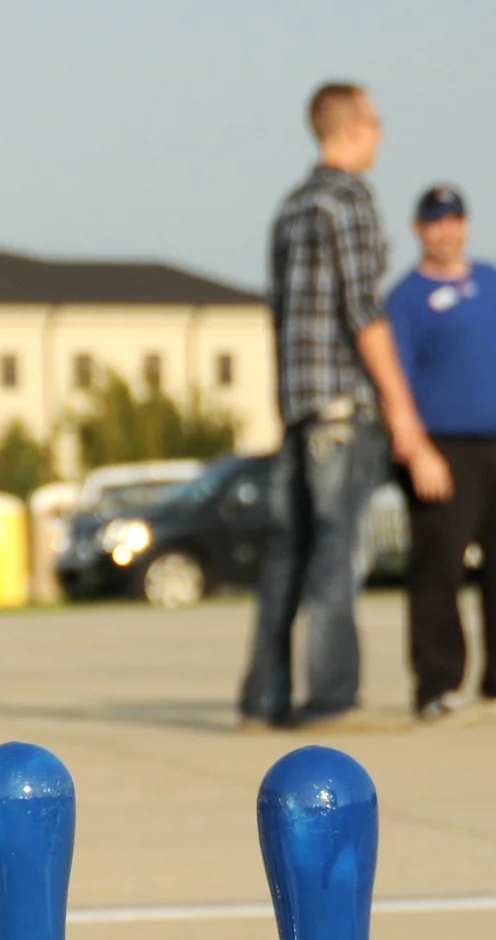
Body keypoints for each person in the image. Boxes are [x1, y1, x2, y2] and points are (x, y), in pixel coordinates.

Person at [238, 82, 451, 730]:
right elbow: (364, 311)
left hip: (299, 405)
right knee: (339, 549)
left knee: (288, 553)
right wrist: (404, 417)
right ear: (353, 127)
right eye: (377, 122)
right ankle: (331, 696)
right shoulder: (350, 200)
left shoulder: (292, 207)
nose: (382, 135)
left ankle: (263, 697)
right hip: (340, 404)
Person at [385, 185, 496, 721]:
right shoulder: (406, 298)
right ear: (419, 229)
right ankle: (437, 683)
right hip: (442, 446)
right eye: (436, 222)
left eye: (454, 220)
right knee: (439, 569)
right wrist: (416, 449)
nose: (446, 231)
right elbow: (395, 381)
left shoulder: (492, 283)